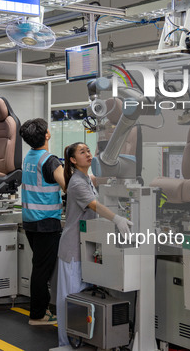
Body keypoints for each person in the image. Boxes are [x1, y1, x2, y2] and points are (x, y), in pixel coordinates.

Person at [56, 142, 132, 346]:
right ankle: (66, 343)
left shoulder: (87, 179)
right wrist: (117, 219)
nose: (88, 154)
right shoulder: (77, 183)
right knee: (70, 300)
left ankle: (82, 341)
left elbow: (100, 189)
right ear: (72, 160)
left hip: (87, 249)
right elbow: (94, 205)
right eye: (82, 152)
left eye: (89, 151)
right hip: (73, 250)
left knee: (84, 302)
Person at [19, 118, 66, 325]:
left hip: (30, 220)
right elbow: (68, 186)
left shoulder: (29, 157)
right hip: (46, 222)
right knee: (41, 270)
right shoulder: (50, 160)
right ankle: (38, 315)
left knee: (38, 266)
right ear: (47, 134)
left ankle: (40, 311)